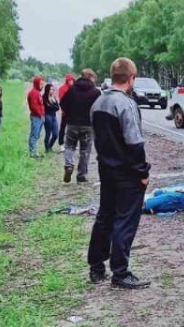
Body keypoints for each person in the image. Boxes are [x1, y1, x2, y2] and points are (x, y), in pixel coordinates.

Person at [88, 58, 151, 289]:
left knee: (104, 217)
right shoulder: (126, 104)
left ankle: (96, 267)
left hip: (106, 169)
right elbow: (134, 142)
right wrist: (142, 171)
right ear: (131, 78)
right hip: (127, 174)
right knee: (125, 221)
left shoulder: (98, 102)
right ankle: (120, 272)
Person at [61, 68, 100, 183]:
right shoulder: (96, 92)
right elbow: (99, 109)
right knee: (85, 150)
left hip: (72, 124)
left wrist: (69, 115)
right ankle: (81, 175)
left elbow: (63, 103)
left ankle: (68, 165)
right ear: (90, 77)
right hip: (88, 125)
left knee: (69, 146)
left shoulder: (72, 90)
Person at [26, 75, 46, 158]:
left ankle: (35, 152)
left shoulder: (37, 92)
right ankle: (33, 153)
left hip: (39, 116)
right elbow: (34, 106)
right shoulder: (33, 93)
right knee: (34, 135)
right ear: (36, 83)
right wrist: (40, 114)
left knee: (36, 135)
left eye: (42, 84)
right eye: (40, 84)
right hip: (36, 117)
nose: (42, 86)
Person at [43, 82, 61, 153]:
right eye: (51, 89)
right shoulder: (44, 97)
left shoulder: (53, 98)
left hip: (53, 116)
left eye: (53, 89)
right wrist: (53, 106)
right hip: (47, 116)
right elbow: (48, 107)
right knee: (48, 133)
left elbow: (57, 108)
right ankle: (47, 149)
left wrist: (53, 103)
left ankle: (50, 146)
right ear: (47, 90)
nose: (52, 91)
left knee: (55, 134)